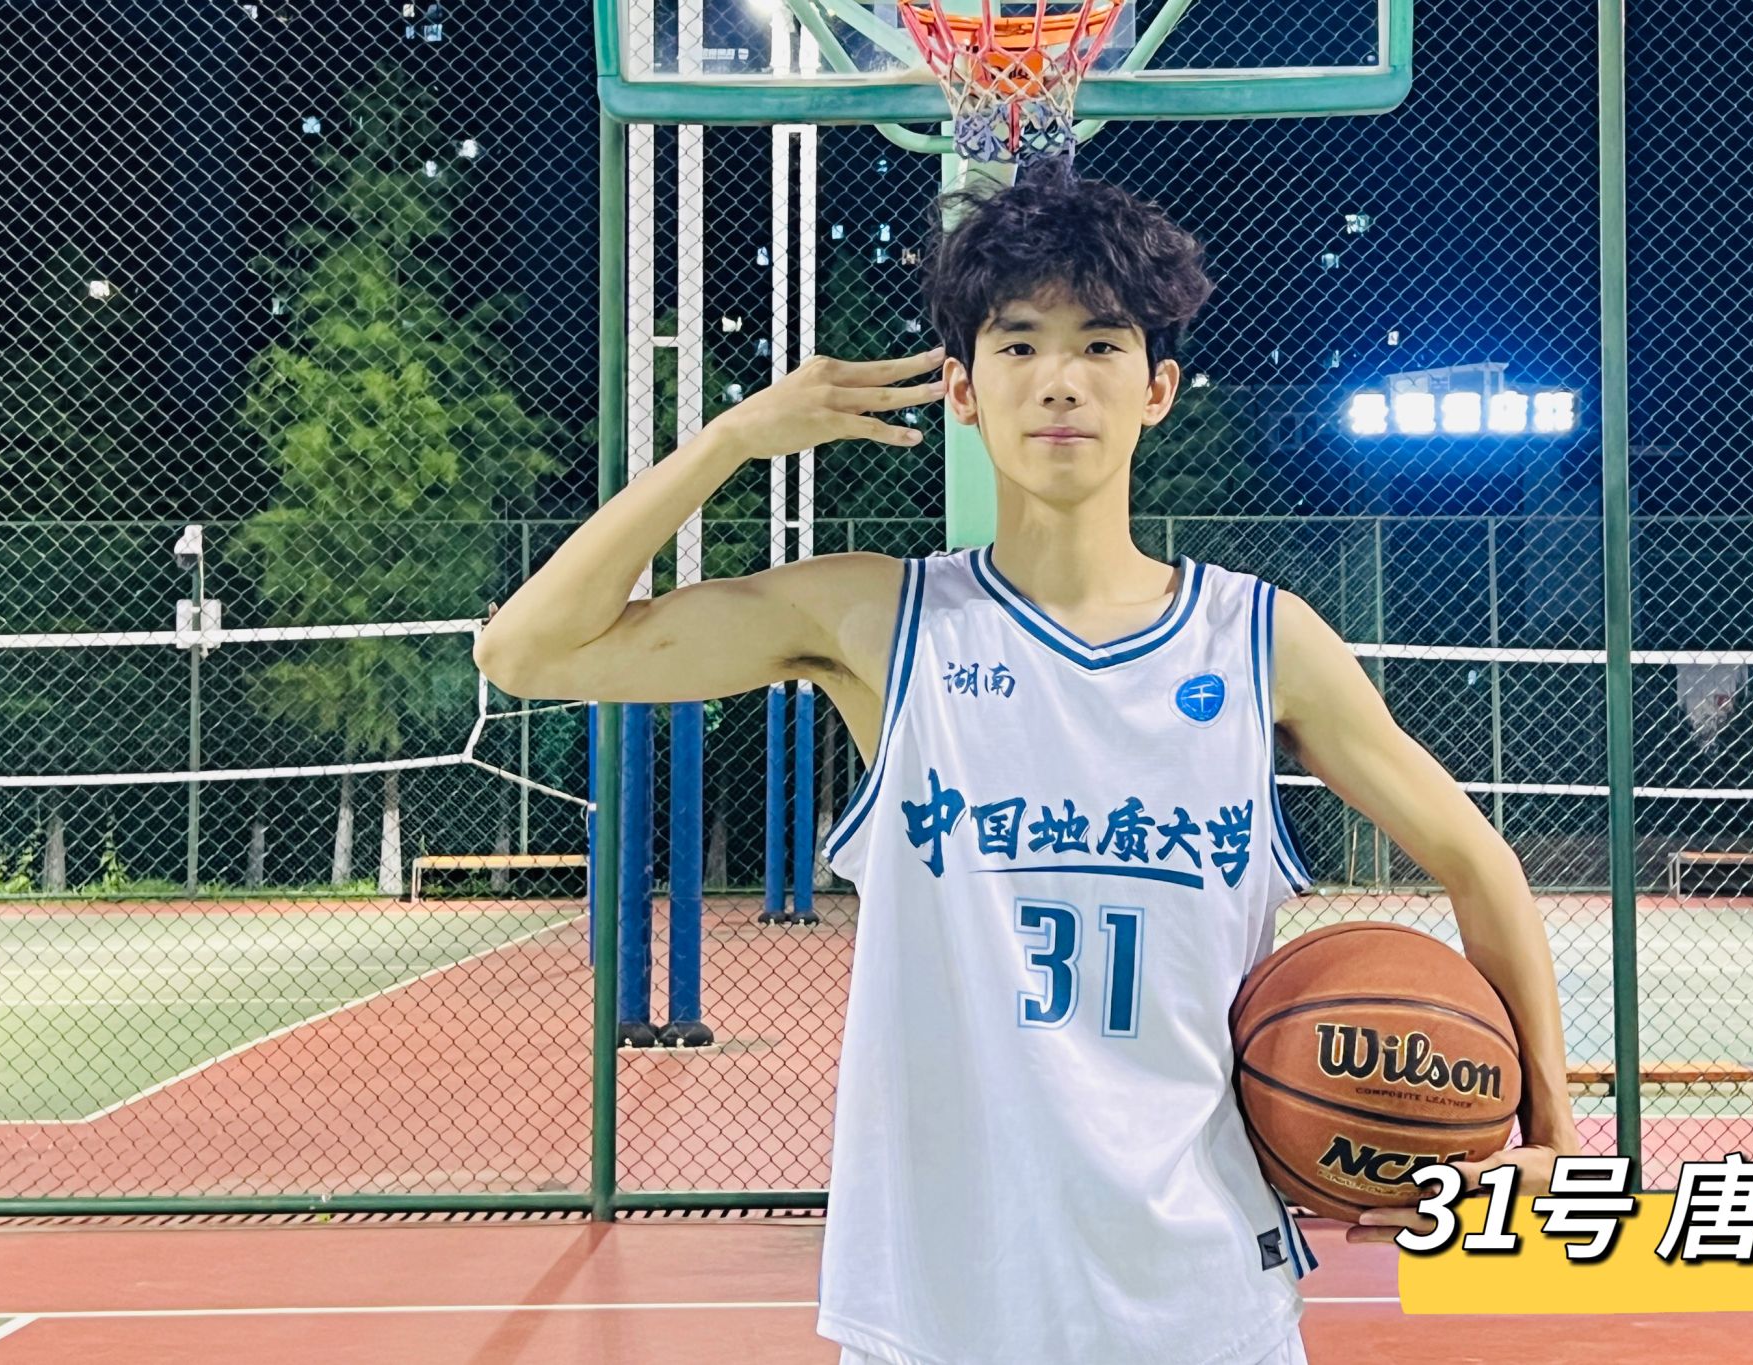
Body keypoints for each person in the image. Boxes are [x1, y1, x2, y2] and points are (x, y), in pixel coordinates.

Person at [477, 159, 1580, 1365]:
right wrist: (731, 441)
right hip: (940, 1310)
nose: (1059, 379)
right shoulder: (880, 623)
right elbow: (529, 650)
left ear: (1155, 389)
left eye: (1100, 344)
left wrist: (1549, 1135)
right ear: (962, 388)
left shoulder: (1259, 641)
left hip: (1201, 1302)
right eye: (1017, 345)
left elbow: (1477, 863)